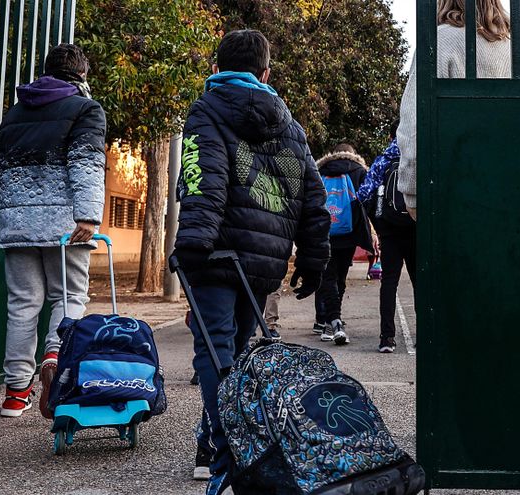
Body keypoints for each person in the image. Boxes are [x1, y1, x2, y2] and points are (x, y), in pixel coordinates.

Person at [172, 29, 330, 495]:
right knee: (238, 355)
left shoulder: (206, 111)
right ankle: (225, 443)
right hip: (263, 263)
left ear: (218, 68)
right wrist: (314, 259)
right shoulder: (290, 125)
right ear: (265, 73)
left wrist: (193, 241)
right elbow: (313, 197)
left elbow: (204, 174)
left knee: (214, 351)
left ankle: (230, 451)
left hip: (216, 252)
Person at [0, 43, 107, 418]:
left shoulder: (13, 113)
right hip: (66, 224)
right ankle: (56, 357)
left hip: (17, 223)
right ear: (82, 75)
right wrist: (88, 216)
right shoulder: (86, 109)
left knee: (22, 305)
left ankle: (15, 394)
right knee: (70, 295)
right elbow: (87, 164)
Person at [397, 0, 520, 219]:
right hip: (510, 189)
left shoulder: (439, 41)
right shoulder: (514, 48)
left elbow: (415, 126)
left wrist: (412, 193)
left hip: (452, 191)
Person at [358, 120, 414, 353]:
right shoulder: (416, 158)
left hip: (390, 231)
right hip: (415, 228)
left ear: (391, 135)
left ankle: (387, 338)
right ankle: (426, 336)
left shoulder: (384, 159)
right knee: (420, 282)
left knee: (389, 282)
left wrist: (378, 224)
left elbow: (364, 194)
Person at [313, 144, 373, 345]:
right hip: (349, 233)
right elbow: (367, 199)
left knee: (327, 277)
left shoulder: (320, 170)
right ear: (352, 154)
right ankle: (335, 321)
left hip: (324, 231)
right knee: (340, 278)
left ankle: (331, 321)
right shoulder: (358, 171)